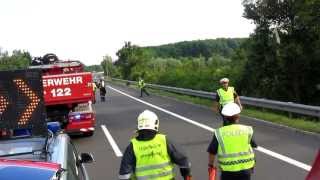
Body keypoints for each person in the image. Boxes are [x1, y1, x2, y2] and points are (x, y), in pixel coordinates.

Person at [118, 110, 192, 180]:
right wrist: (187, 176)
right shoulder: (164, 140)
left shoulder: (133, 146)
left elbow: (124, 175)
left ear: (138, 124)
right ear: (155, 123)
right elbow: (183, 160)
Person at [207, 103, 257, 180]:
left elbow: (212, 151)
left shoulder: (219, 132)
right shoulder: (247, 130)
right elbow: (254, 145)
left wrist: (211, 165)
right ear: (238, 116)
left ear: (225, 117)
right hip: (246, 170)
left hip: (228, 171)